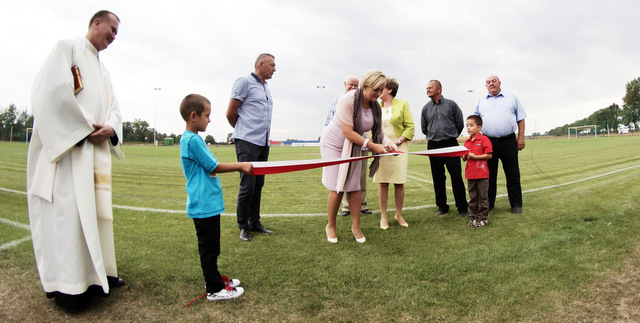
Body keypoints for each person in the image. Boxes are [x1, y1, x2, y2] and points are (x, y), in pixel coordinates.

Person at [26, 10, 125, 310]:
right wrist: (85, 128)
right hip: (67, 153)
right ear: (96, 23)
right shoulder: (66, 48)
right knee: (66, 219)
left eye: (116, 34)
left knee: (94, 218)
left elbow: (115, 109)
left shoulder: (103, 70)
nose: (113, 37)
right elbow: (49, 94)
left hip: (92, 154)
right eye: (111, 29)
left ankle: (96, 277)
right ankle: (68, 287)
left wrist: (111, 128)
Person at [179, 94, 251, 301]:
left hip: (207, 203)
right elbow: (213, 166)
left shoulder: (192, 139)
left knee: (212, 246)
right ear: (194, 116)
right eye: (207, 115)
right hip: (203, 204)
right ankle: (214, 288)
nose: (209, 119)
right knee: (209, 248)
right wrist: (241, 166)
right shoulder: (192, 140)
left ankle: (215, 278)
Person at [320, 70, 397, 243]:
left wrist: (388, 142)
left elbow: (378, 131)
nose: (378, 94)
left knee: (355, 186)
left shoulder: (375, 105)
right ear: (365, 85)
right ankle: (331, 225)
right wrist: (372, 145)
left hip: (356, 144)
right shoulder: (347, 100)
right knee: (337, 186)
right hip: (334, 143)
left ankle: (356, 227)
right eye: (376, 90)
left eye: (381, 90)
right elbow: (347, 132)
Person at [226, 53, 276, 241]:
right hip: (247, 142)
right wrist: (242, 132)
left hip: (263, 143)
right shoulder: (244, 82)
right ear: (260, 64)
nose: (274, 69)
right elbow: (231, 113)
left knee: (259, 185)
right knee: (247, 185)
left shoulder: (266, 87)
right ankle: (243, 226)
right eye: (271, 65)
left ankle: (255, 222)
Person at [473, 75, 527, 214]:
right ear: (486, 86)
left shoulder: (511, 97)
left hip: (509, 141)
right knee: (489, 176)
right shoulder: (480, 100)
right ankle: (489, 204)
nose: (491, 84)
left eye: (493, 81)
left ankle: (516, 204)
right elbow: (475, 122)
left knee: (513, 174)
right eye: (488, 82)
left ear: (499, 83)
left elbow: (520, 119)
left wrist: (520, 137)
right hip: (488, 142)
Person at [325, 75, 372, 217]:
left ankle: (362, 205)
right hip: (342, 146)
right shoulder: (338, 101)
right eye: (350, 85)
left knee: (360, 178)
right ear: (345, 84)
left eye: (355, 85)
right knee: (342, 177)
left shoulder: (364, 102)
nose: (353, 87)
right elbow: (329, 123)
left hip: (361, 146)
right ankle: (346, 207)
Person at [421, 80, 469, 217]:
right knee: (438, 177)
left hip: (451, 144)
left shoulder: (451, 104)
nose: (427, 90)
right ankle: (442, 206)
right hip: (433, 146)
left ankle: (462, 207)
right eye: (426, 88)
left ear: (439, 89)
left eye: (430, 88)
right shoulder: (425, 108)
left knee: (456, 176)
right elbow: (424, 128)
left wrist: (450, 135)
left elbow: (459, 123)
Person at [373, 78, 414, 229]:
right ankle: (383, 216)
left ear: (389, 89)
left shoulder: (403, 104)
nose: (378, 91)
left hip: (399, 147)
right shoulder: (375, 106)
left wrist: (396, 143)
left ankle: (399, 214)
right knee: (383, 182)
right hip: (381, 148)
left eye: (381, 88)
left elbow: (410, 127)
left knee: (398, 182)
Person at [462, 115, 493, 227]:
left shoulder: (484, 139)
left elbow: (489, 155)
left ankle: (483, 218)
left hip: (482, 174)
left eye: (471, 125)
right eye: (467, 126)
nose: (468, 128)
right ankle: (474, 216)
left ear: (479, 127)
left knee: (483, 197)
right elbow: (464, 158)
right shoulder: (467, 142)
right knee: (473, 198)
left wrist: (475, 157)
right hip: (470, 175)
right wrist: (464, 156)